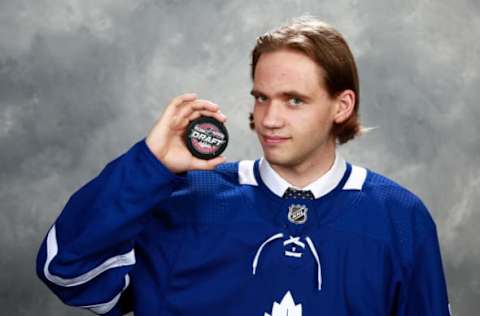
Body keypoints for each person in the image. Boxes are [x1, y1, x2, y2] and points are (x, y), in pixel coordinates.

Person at [36, 16, 451, 315]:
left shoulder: (400, 217)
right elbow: (68, 273)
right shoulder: (183, 196)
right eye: (261, 97)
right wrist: (149, 165)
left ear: (341, 105)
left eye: (294, 100)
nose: (269, 119)